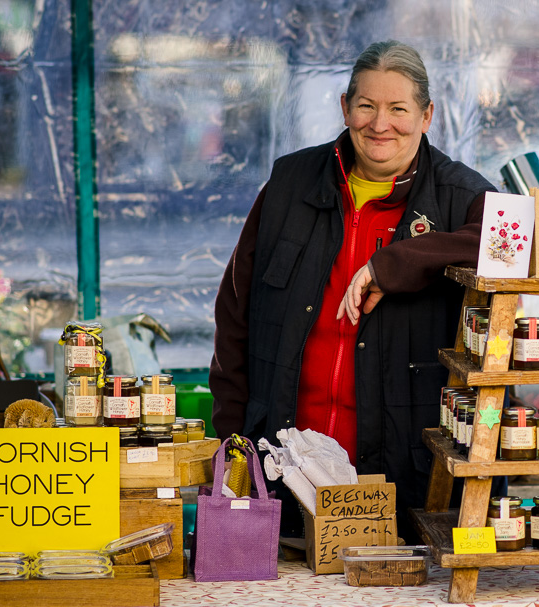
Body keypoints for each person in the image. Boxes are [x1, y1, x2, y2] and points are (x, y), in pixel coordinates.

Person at [209, 41, 496, 539]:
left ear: (427, 115)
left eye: (399, 109)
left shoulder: (461, 195)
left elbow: (519, 243)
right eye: (366, 106)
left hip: (404, 488)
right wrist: (234, 444)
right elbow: (235, 313)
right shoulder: (288, 183)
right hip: (281, 476)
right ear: (345, 108)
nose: (380, 124)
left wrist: (398, 263)